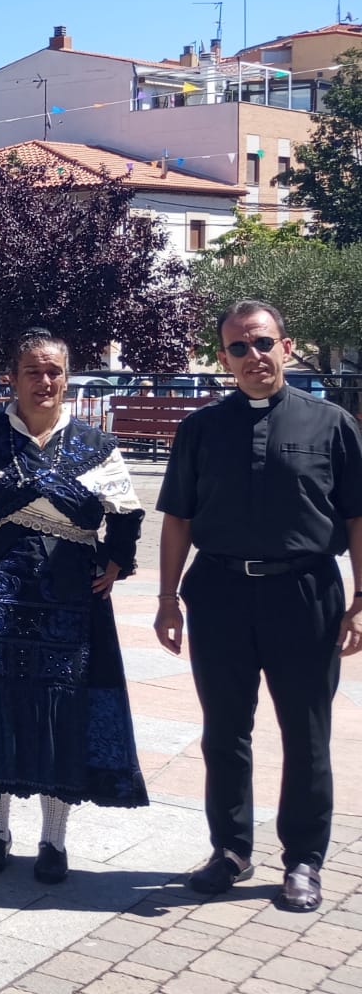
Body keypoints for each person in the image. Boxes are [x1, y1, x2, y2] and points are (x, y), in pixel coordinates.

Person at [0, 328, 148, 882]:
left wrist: (116, 561)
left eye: (55, 372)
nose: (45, 382)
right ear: (10, 379)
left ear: (67, 378)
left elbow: (128, 515)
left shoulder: (95, 445)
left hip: (69, 600)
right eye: (33, 372)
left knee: (60, 711)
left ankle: (54, 842)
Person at [155, 299, 362, 914]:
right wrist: (168, 598)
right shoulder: (201, 429)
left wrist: (361, 600)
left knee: (306, 734)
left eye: (263, 343)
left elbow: (356, 518)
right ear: (224, 358)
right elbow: (178, 519)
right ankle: (231, 849)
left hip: (306, 594)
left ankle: (302, 859)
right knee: (224, 732)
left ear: (287, 346)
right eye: (239, 348)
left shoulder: (331, 425)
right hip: (218, 593)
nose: (254, 356)